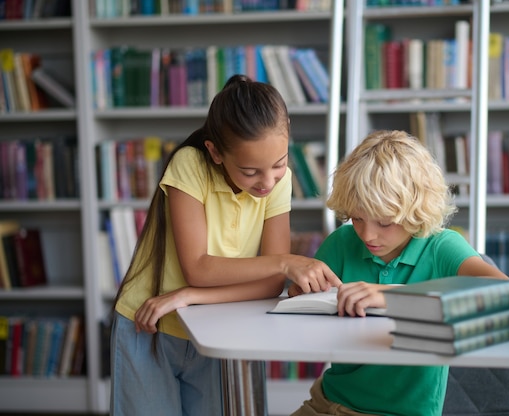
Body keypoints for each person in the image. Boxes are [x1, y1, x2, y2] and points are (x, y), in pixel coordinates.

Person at [110, 74, 342, 416]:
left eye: (278, 164)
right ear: (215, 152)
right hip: (150, 325)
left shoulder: (281, 181)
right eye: (250, 172)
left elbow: (270, 286)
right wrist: (283, 261)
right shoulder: (189, 164)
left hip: (223, 326)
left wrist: (188, 296)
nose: (267, 182)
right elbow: (199, 268)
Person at [289, 130, 509, 416]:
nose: (367, 234)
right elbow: (304, 306)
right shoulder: (343, 242)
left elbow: (502, 291)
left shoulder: (440, 247)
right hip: (327, 403)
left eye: (385, 222)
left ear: (414, 211)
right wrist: (300, 291)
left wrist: (388, 295)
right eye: (357, 218)